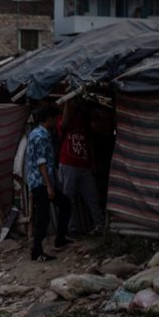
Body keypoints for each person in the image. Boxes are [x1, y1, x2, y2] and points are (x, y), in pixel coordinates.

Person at [26, 105, 71, 262]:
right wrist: (49, 186)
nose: (56, 121)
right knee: (43, 218)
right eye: (54, 119)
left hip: (41, 182)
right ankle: (36, 252)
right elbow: (41, 163)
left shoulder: (37, 133)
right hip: (41, 183)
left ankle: (59, 240)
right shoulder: (41, 136)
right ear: (49, 120)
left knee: (65, 204)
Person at [58, 100, 104, 235]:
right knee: (68, 199)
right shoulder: (62, 118)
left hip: (84, 165)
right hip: (68, 164)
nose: (75, 105)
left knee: (93, 197)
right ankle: (71, 229)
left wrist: (92, 162)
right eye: (73, 102)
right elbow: (63, 125)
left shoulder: (83, 120)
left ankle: (100, 225)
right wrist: (67, 103)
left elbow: (89, 141)